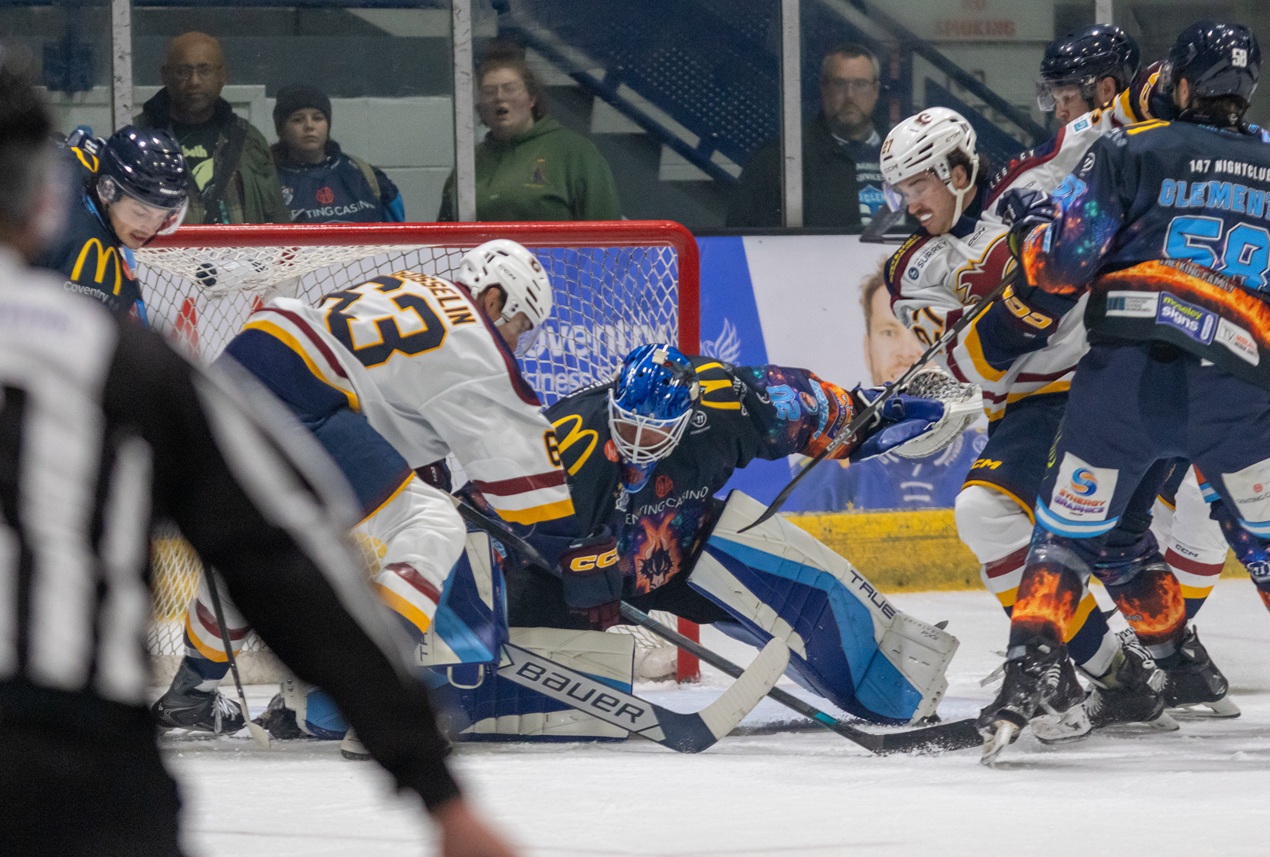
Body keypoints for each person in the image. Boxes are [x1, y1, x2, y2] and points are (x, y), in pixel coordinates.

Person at [0, 37, 514, 857]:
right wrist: (432, 783)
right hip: (81, 778)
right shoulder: (122, 360)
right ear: (40, 198)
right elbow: (282, 562)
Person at [979, 21, 1270, 763]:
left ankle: (1026, 679)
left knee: (1067, 535)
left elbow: (1058, 270)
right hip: (1236, 395)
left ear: (1182, 82)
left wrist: (1033, 234)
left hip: (1122, 388)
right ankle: (1185, 668)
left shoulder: (1130, 149)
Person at [151, 240, 615, 747]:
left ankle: (189, 693)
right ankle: (381, 703)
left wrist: (418, 466)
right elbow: (527, 478)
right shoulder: (477, 341)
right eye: (520, 324)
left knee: (263, 543)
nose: (517, 340)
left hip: (241, 366)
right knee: (433, 523)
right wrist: (572, 552)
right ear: (494, 299)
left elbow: (379, 390)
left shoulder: (417, 286)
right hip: (301, 397)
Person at [882, 105, 1187, 741]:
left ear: (957, 171)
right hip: (1034, 402)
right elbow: (976, 366)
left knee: (1010, 518)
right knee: (999, 521)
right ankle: (1117, 673)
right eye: (901, 190)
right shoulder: (913, 269)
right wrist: (1027, 287)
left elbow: (1118, 115)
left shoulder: (1031, 181)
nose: (910, 203)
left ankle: (1103, 671)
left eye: (919, 184)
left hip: (1112, 372)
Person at [472, 344, 958, 726]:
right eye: (628, 427)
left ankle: (897, 689)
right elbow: (486, 518)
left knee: (801, 598)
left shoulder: (725, 403)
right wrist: (574, 566)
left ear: (688, 417)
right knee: (530, 688)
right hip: (575, 586)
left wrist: (875, 416)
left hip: (683, 551)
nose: (639, 444)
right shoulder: (566, 435)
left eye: (654, 432)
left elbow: (804, 404)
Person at [787, 267, 987, 511]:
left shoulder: (995, 456)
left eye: (925, 331)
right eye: (889, 332)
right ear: (868, 349)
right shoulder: (824, 474)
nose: (907, 353)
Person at [437, 42, 620, 222]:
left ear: (531, 98)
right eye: (489, 92)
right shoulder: (469, 163)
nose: (499, 97)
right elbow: (445, 234)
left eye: (510, 88)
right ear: (480, 106)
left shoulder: (575, 153)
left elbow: (606, 232)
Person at [134, 31, 288, 225]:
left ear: (222, 76)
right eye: (183, 71)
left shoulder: (249, 141)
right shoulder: (137, 140)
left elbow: (278, 222)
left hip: (239, 246)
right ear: (165, 75)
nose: (194, 81)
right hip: (162, 246)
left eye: (205, 70)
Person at [36, 125, 188, 321]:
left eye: (161, 216)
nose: (150, 228)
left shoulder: (81, 161)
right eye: (140, 213)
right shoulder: (89, 261)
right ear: (108, 190)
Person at [726, 44, 885, 229]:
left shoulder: (904, 152)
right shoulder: (780, 159)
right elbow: (741, 236)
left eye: (860, 84)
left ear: (876, 91)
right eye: (839, 84)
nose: (850, 95)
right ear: (824, 89)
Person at [271, 83, 405, 223]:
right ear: (281, 129)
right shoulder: (267, 182)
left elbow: (398, 233)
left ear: (328, 125)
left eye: (317, 118)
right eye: (297, 120)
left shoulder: (367, 177)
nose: (309, 126)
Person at [1035, 24, 1140, 126]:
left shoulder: (1145, 138)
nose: (1059, 114)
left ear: (1106, 89)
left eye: (1067, 98)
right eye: (1056, 100)